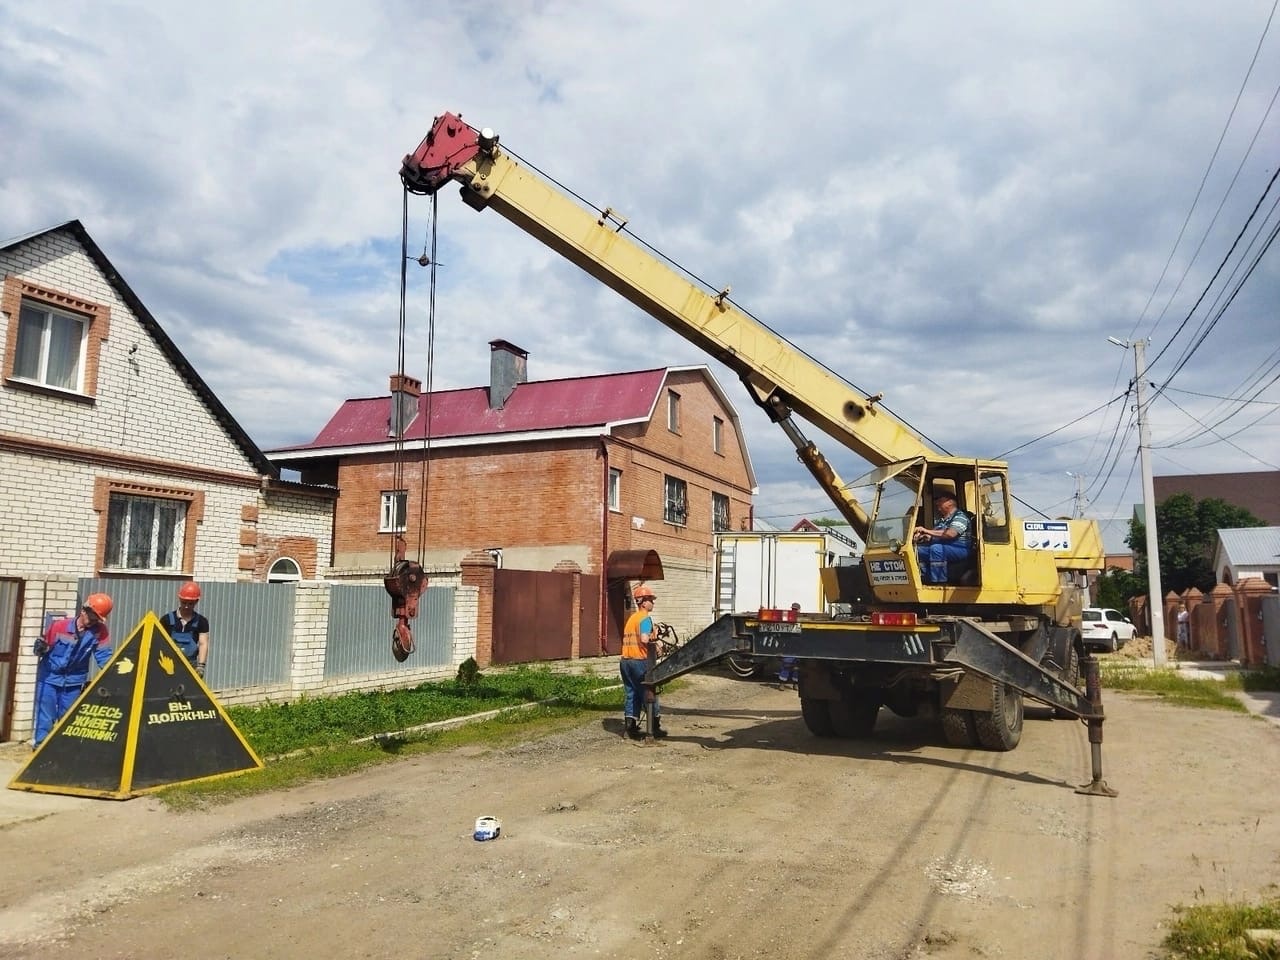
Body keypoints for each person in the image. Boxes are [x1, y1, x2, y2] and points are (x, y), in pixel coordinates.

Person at [32, 592, 113, 747]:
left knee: (68, 717)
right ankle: (40, 748)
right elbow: (42, 647)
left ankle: (63, 749)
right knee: (46, 717)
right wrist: (40, 647)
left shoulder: (100, 631)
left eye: (97, 618)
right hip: (49, 677)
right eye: (92, 616)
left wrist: (114, 674)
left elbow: (104, 657)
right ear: (83, 611)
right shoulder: (59, 626)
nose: (94, 620)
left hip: (74, 681)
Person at [620, 584, 667, 740]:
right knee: (648, 692)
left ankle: (630, 728)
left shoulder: (632, 618)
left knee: (631, 693)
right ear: (644, 602)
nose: (653, 602)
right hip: (639, 662)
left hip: (625, 661)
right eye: (651, 599)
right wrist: (657, 644)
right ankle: (654, 727)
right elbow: (644, 639)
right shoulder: (645, 618)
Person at [913, 490, 975, 584]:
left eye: (940, 501)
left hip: (961, 548)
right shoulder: (941, 521)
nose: (937, 503)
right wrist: (923, 536)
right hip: (945, 547)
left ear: (950, 502)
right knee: (917, 551)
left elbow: (951, 534)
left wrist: (926, 530)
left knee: (936, 549)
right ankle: (924, 578)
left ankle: (940, 582)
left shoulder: (960, 517)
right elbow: (934, 535)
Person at [161, 581, 210, 677]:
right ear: (180, 599)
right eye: (184, 602)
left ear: (196, 601)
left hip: (191, 665)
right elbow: (159, 641)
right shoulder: (167, 619)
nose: (187, 606)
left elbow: (203, 643)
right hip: (169, 664)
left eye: (190, 603)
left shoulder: (201, 621)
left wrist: (201, 666)